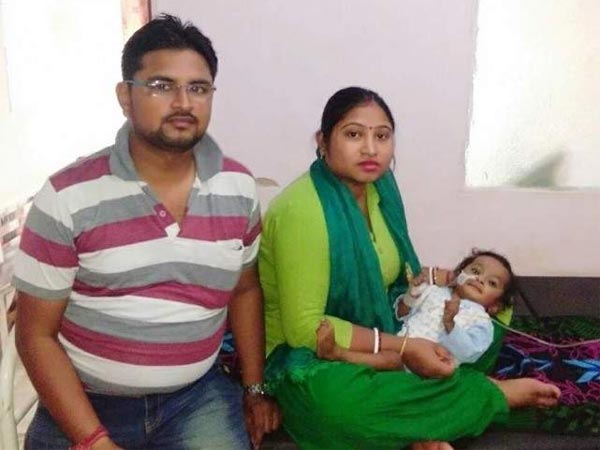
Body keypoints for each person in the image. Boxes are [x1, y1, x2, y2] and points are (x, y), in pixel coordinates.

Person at [13, 14, 280, 450]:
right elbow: (34, 335)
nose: (183, 102)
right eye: (161, 85)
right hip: (84, 401)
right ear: (125, 96)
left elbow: (245, 291)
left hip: (195, 399)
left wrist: (254, 388)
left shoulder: (238, 188)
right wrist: (94, 441)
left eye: (199, 88)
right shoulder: (67, 196)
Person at [258, 86, 560, 450]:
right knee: (339, 409)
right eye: (354, 135)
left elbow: (400, 278)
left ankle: (415, 419)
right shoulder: (301, 211)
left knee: (490, 309)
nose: (370, 149)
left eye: (382, 136)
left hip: (384, 323)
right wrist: (404, 347)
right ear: (323, 141)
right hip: (312, 353)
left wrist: (427, 292)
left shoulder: (380, 186)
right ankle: (490, 394)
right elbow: (305, 330)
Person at [316, 249, 516, 371]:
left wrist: (450, 324)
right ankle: (339, 353)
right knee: (385, 352)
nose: (479, 279)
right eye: (476, 271)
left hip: (433, 364)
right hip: (401, 345)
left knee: (391, 359)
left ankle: (339, 354)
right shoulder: (435, 292)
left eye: (492, 282)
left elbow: (470, 352)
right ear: (458, 275)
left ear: (495, 306)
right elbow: (401, 314)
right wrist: (412, 294)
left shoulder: (481, 321)